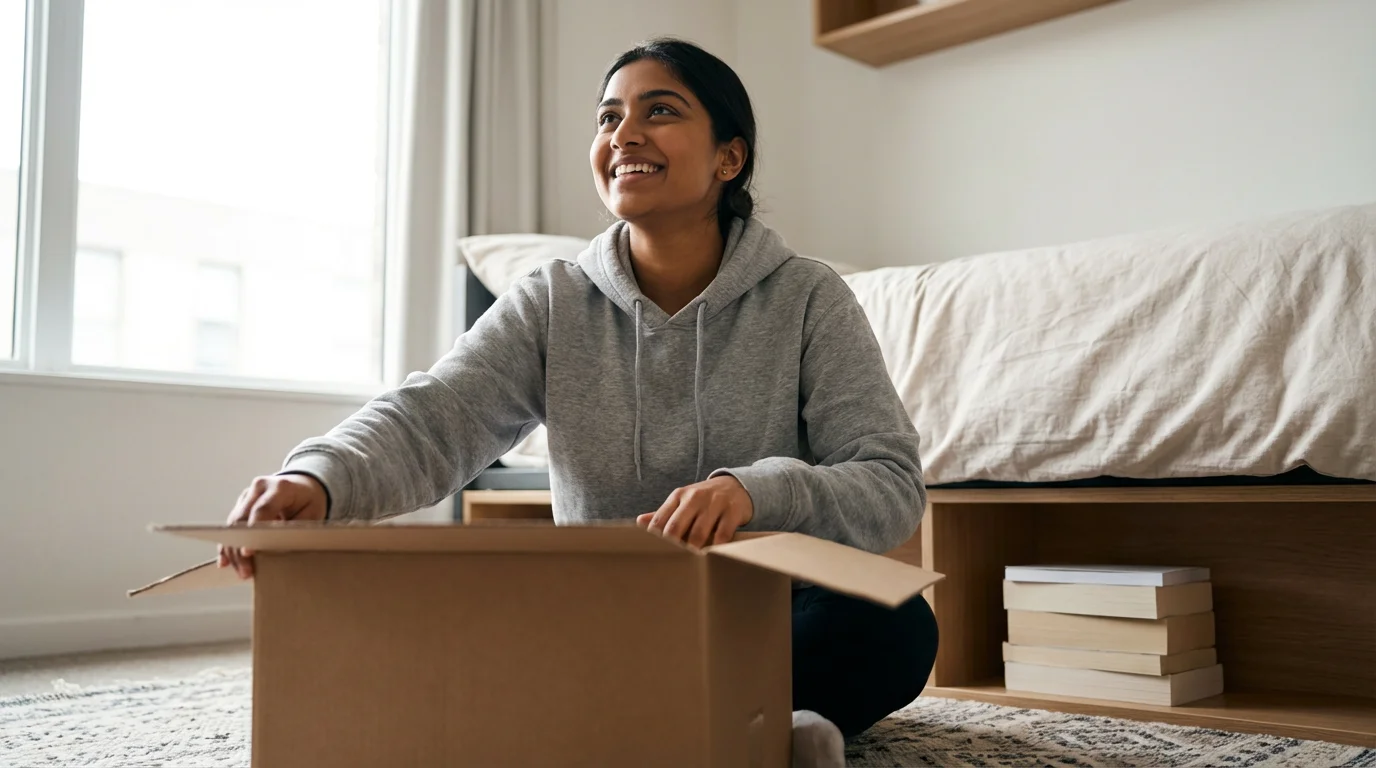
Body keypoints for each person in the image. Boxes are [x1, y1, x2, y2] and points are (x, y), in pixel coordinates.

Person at [219, 37, 938, 768]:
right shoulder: (552, 300)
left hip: (770, 611)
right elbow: (436, 415)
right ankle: (746, 725)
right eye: (607, 117)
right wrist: (319, 477)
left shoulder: (810, 298)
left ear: (730, 158)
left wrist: (755, 492)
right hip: (607, 614)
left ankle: (666, 719)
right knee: (459, 613)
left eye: (660, 111)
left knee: (896, 625)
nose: (624, 134)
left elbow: (889, 482)